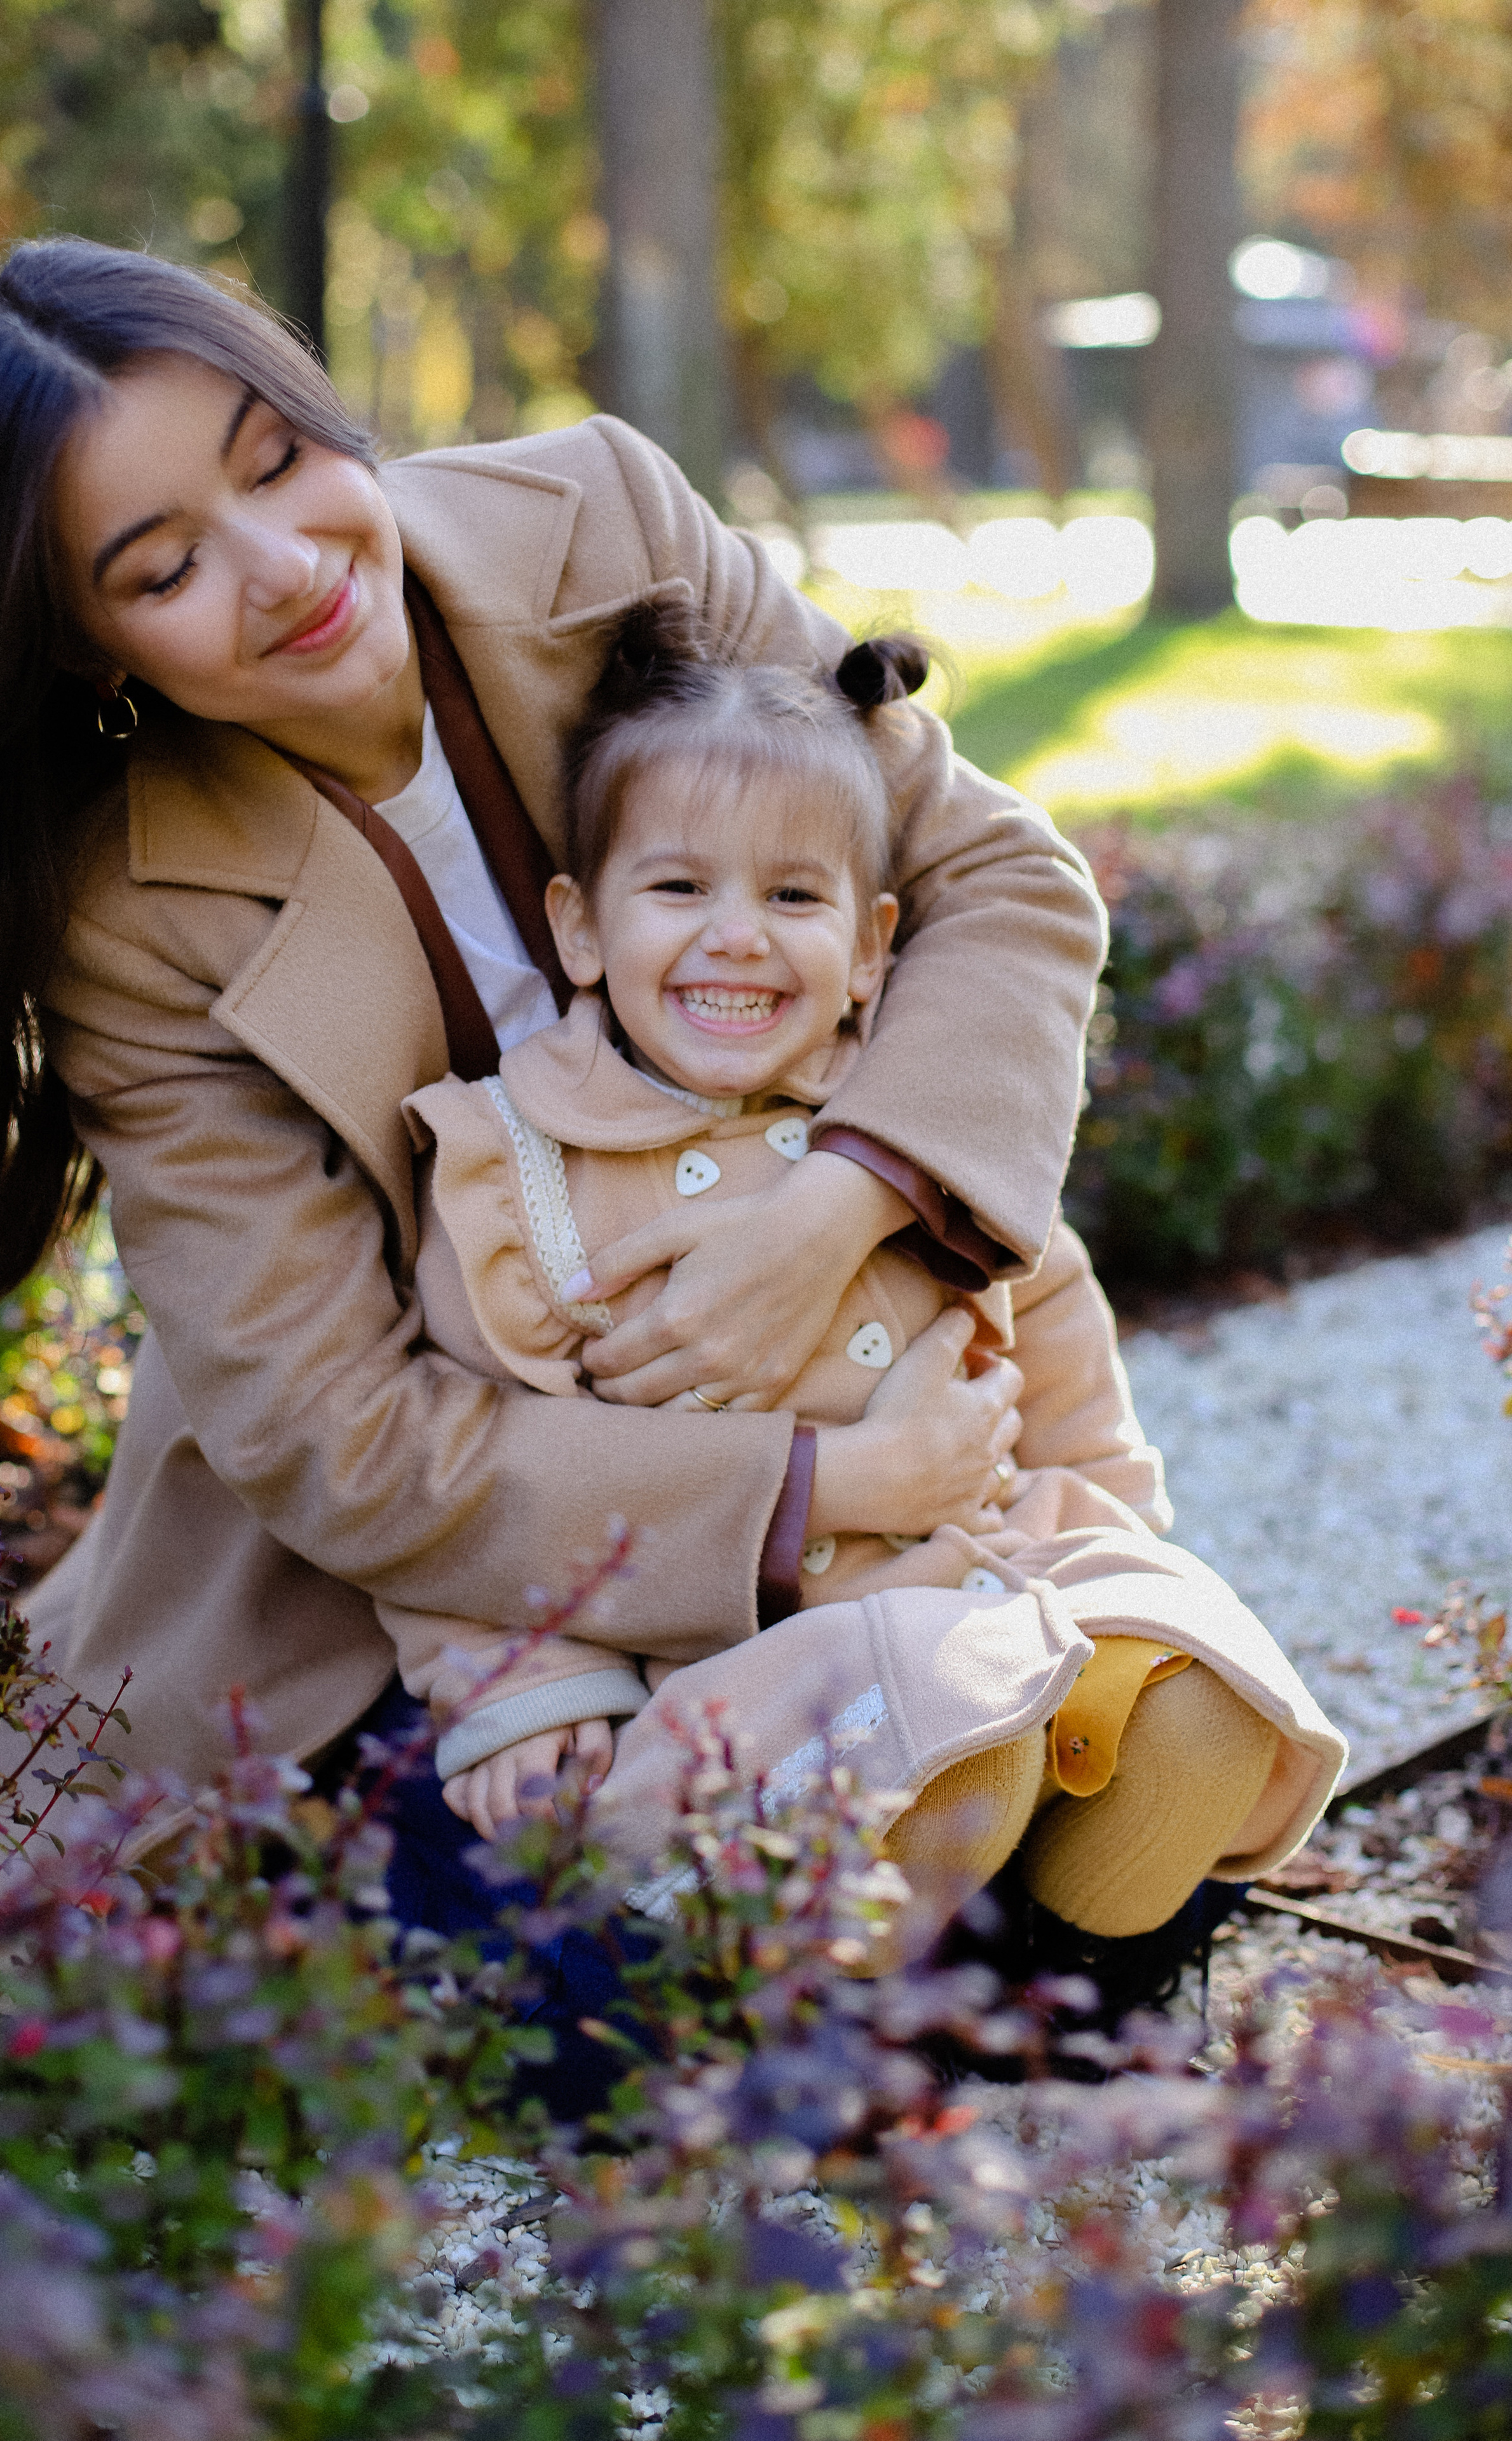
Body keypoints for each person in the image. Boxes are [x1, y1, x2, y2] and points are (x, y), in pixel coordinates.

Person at [0, 241, 1116, 2020]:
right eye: (163, 569)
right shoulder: (121, 905)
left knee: (1092, 1891)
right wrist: (796, 1493)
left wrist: (834, 1214)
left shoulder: (602, 519)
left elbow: (992, 876)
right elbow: (335, 1435)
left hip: (868, 1381)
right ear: (86, 647)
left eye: (276, 461)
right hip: (448, 1585)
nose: (287, 568)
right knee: (618, 1984)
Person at [394, 604, 1346, 1966]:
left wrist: (1122, 1526)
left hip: (994, 1551)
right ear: (581, 927)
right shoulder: (520, 1174)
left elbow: (1050, 1318)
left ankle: (1075, 1965)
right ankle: (857, 1991)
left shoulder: (904, 1130)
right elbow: (475, 1468)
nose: (736, 938)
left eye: (792, 898)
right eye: (678, 890)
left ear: (869, 947)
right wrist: (528, 1686)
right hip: (748, 1645)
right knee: (932, 1717)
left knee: (1189, 1689)